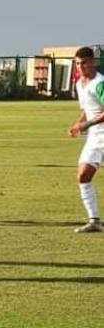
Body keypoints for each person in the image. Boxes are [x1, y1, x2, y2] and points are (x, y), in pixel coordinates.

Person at [68, 46, 104, 233]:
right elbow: (87, 109)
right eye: (77, 63)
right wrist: (78, 124)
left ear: (93, 62)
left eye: (84, 63)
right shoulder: (79, 84)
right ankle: (94, 221)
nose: (81, 67)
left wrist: (86, 125)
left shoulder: (100, 83)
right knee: (83, 175)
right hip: (95, 137)